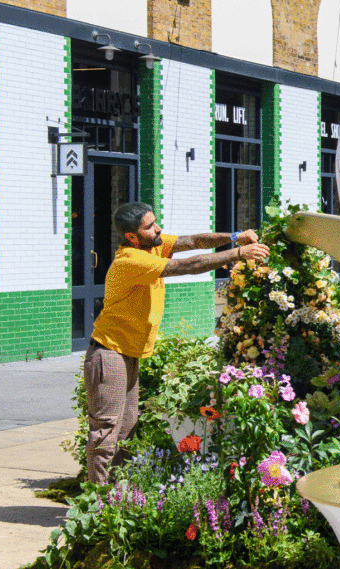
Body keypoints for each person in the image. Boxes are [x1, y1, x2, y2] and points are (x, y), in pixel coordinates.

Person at [84, 202, 270, 484]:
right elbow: (188, 265)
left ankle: (116, 496)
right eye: (149, 226)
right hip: (109, 353)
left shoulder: (153, 246)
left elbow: (192, 242)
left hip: (128, 353)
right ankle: (96, 500)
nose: (157, 228)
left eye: (155, 222)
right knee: (106, 430)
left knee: (127, 430)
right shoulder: (131, 259)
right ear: (132, 236)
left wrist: (234, 237)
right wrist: (239, 253)